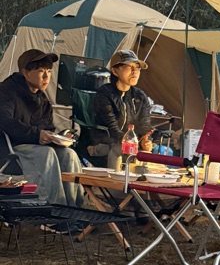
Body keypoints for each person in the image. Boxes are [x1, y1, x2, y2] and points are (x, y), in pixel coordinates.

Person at [0, 49, 85, 206]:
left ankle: (74, 208)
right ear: (25, 73)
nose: (46, 76)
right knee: (46, 153)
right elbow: (4, 121)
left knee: (69, 154)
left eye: (49, 71)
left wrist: (57, 138)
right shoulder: (7, 91)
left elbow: (47, 128)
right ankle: (52, 208)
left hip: (33, 144)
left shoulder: (42, 99)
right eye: (41, 71)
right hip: (9, 147)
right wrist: (37, 134)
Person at [92, 50, 153, 166]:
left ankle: (139, 178)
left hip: (132, 145)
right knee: (118, 149)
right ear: (115, 71)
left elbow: (145, 125)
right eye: (129, 67)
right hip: (105, 143)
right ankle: (115, 178)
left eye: (137, 67)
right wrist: (129, 141)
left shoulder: (140, 96)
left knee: (146, 154)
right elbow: (112, 127)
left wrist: (145, 141)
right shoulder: (105, 94)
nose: (135, 71)